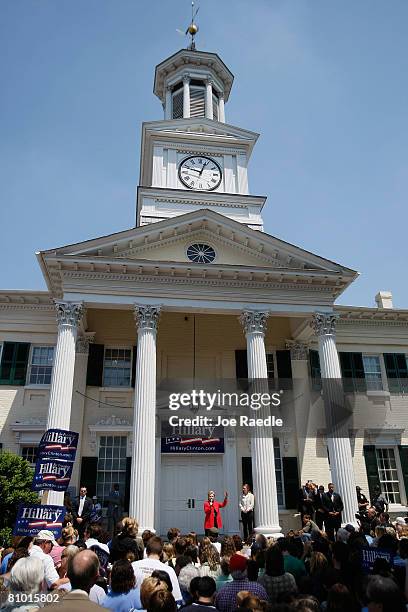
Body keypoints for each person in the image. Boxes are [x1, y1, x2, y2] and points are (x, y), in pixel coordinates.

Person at [131, 536, 182, 604]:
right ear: (161, 553)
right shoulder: (168, 570)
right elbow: (176, 598)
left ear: (146, 551)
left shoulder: (133, 566)